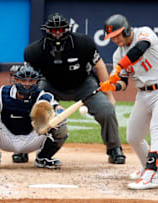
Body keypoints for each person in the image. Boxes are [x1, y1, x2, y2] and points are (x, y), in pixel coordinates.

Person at [24, 12, 126, 164]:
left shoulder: (83, 43)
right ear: (47, 31)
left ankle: (114, 148)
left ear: (67, 29)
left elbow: (100, 67)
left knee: (106, 110)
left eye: (61, 30)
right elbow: (29, 78)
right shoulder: (34, 51)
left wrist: (109, 95)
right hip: (50, 85)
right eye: (54, 30)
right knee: (30, 107)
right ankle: (24, 148)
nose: (57, 34)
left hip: (84, 84)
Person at [101, 14, 158, 190]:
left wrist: (120, 67)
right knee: (133, 136)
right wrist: (113, 86)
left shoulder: (144, 33)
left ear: (127, 30)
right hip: (143, 94)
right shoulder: (117, 55)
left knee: (157, 131)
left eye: (117, 35)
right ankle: (148, 166)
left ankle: (151, 175)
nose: (114, 40)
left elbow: (140, 49)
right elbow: (124, 82)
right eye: (111, 38)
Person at [0, 64, 68, 169]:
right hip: (6, 138)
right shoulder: (1, 94)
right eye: (23, 80)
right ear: (15, 80)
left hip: (33, 138)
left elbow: (57, 107)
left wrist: (59, 113)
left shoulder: (41, 95)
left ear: (36, 81)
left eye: (31, 80)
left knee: (60, 125)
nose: (27, 84)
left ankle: (43, 158)